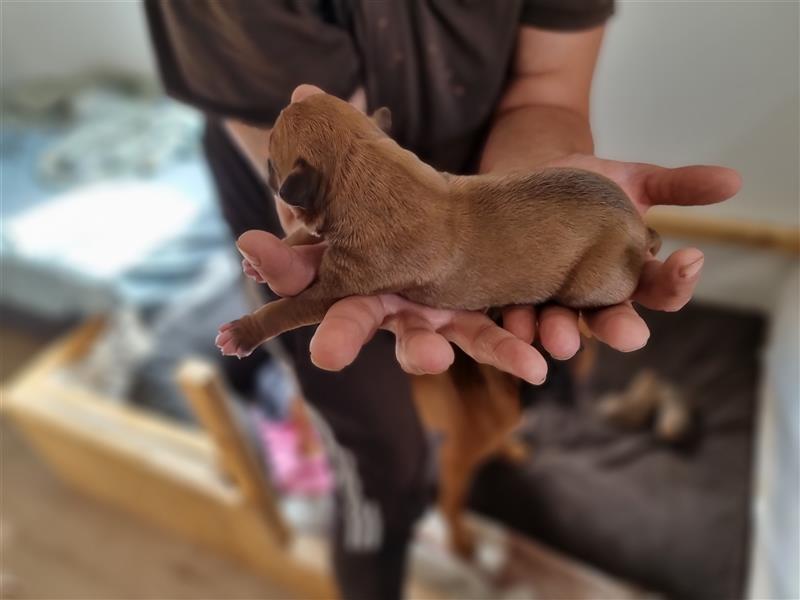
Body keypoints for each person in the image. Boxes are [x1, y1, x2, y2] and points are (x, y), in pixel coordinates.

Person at [144, 2, 741, 598]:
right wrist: (262, 318)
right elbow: (323, 180)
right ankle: (376, 532)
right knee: (382, 455)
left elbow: (547, 87)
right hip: (320, 224)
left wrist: (520, 186)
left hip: (476, 182)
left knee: (526, 371)